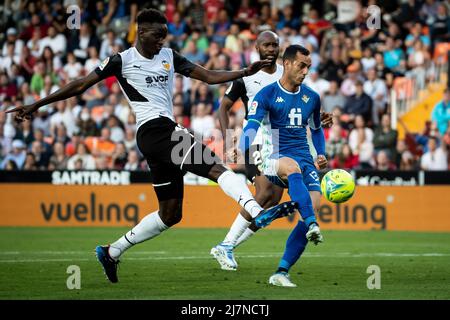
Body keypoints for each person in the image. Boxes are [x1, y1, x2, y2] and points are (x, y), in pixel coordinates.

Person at [5, 8, 297, 283]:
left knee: (171, 214)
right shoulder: (122, 60)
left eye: (164, 36)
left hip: (158, 137)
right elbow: (80, 84)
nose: (161, 42)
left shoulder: (169, 55)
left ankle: (111, 251)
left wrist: (245, 71)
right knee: (215, 166)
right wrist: (36, 104)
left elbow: (208, 77)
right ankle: (255, 211)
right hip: (154, 129)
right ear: (141, 32)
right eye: (157, 36)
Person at [211, 32, 333, 272]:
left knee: (272, 198)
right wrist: (229, 140)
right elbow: (223, 107)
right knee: (266, 192)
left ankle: (227, 245)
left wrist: (318, 119)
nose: (270, 48)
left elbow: (299, 108)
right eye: (266, 44)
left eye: (274, 44)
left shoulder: (288, 72)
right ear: (257, 47)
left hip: (284, 142)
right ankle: (226, 244)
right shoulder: (246, 75)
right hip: (257, 139)